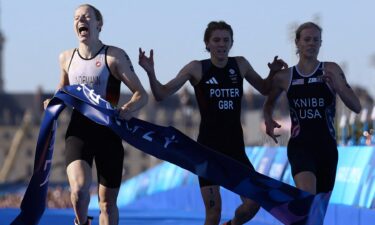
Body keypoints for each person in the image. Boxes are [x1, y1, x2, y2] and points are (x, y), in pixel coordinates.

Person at [139, 21, 287, 225]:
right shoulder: (196, 68)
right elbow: (161, 94)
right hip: (207, 151)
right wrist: (150, 72)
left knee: (254, 203)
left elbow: (263, 88)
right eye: (216, 40)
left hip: (235, 150)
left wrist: (272, 73)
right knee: (213, 213)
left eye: (226, 40)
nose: (221, 44)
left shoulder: (240, 64)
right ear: (207, 44)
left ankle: (232, 224)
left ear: (232, 43)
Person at [44, 4, 148, 225]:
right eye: (76, 18)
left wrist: (128, 108)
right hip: (79, 131)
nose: (81, 20)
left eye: (86, 16)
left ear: (99, 24)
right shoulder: (66, 58)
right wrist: (51, 103)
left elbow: (142, 94)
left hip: (109, 132)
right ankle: (82, 222)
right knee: (79, 192)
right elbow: (62, 93)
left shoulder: (114, 56)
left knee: (107, 204)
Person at [263, 22, 361, 195]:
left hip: (327, 149)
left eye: (316, 40)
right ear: (297, 43)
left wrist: (337, 87)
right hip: (300, 147)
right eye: (307, 39)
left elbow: (356, 106)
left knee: (317, 213)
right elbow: (269, 102)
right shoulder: (285, 77)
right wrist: (268, 119)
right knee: (308, 196)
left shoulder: (331, 69)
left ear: (321, 43)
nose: (311, 43)